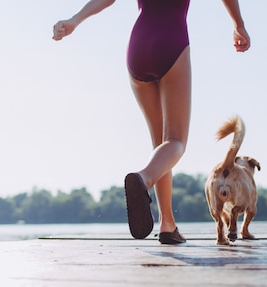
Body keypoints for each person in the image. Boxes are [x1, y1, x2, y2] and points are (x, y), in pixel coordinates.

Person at [53, 0, 250, 244]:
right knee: (176, 141)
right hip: (172, 42)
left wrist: (74, 20)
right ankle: (143, 179)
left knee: (160, 145)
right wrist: (238, 25)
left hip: (138, 46)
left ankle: (167, 224)